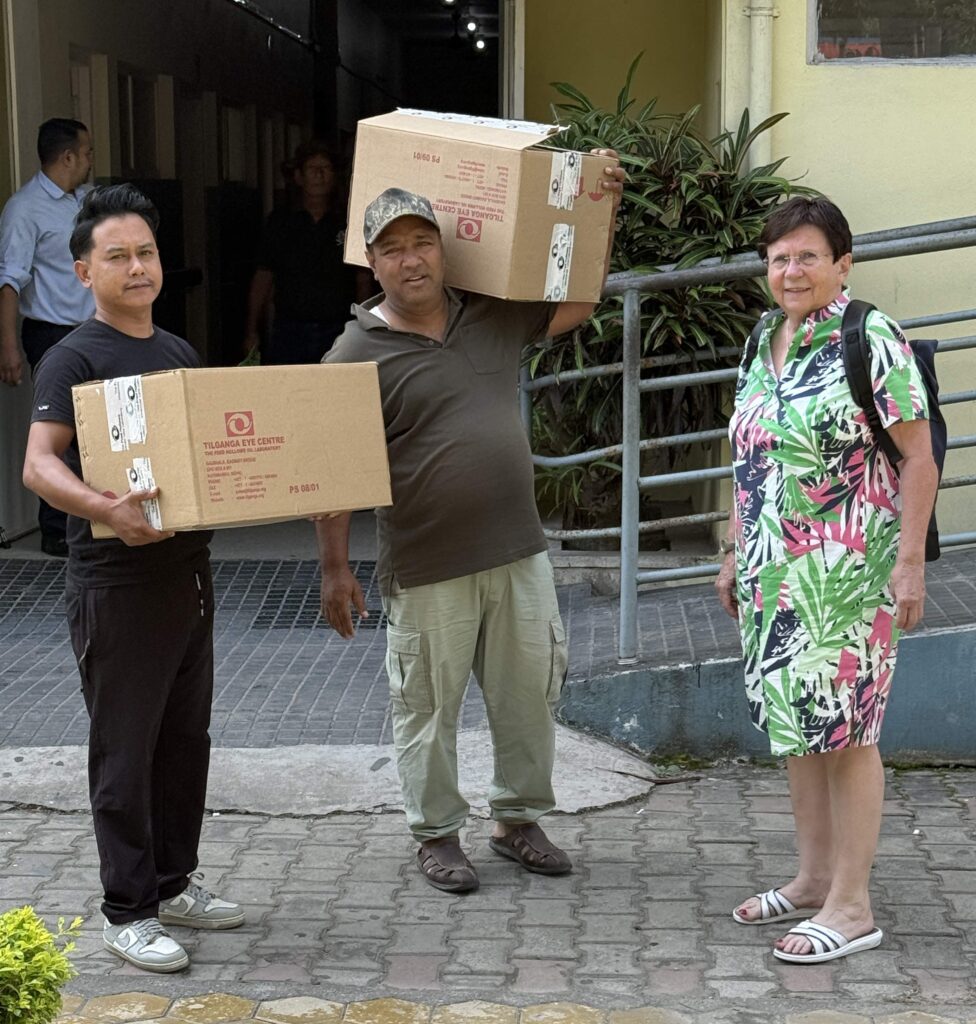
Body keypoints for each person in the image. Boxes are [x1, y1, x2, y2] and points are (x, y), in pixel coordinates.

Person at [317, 158, 625, 894]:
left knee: (529, 697)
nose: (410, 259)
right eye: (392, 249)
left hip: (518, 552)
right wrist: (334, 567)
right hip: (427, 564)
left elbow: (580, 299)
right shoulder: (353, 354)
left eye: (422, 242)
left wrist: (600, 208)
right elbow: (332, 471)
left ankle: (517, 822)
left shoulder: (490, 313)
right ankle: (436, 834)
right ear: (371, 264)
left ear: (444, 249)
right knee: (427, 708)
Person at [22, 184, 243, 973]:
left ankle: (173, 884)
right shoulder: (73, 357)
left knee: (184, 742)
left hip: (186, 574)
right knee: (125, 749)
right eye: (117, 256)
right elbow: (39, 464)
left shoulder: (176, 353)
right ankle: (128, 910)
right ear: (84, 271)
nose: (137, 267)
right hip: (117, 583)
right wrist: (104, 508)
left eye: (146, 252)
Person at [715, 196, 938, 963]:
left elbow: (918, 457)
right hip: (773, 576)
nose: (791, 270)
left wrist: (910, 563)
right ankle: (814, 878)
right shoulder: (761, 340)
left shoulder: (870, 337)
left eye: (807, 256)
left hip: (848, 576)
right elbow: (751, 455)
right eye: (779, 258)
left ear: (843, 264)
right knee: (801, 729)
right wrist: (735, 550)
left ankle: (853, 906)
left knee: (847, 734)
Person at [0, 118, 96, 555]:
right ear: (68, 157)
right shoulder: (24, 209)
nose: (91, 161)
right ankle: (56, 530)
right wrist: (9, 347)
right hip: (51, 334)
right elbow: (9, 281)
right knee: (58, 429)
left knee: (96, 429)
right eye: (87, 153)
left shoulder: (88, 202)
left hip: (93, 330)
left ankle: (94, 518)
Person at [243, 139, 366, 365]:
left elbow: (362, 278)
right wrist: (251, 330)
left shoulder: (349, 221)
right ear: (299, 177)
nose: (319, 174)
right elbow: (263, 277)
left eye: (326, 168)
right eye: (312, 168)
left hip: (340, 329)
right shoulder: (280, 222)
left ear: (334, 176)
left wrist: (363, 326)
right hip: (290, 330)